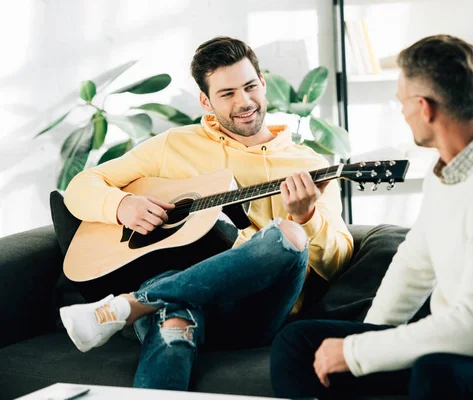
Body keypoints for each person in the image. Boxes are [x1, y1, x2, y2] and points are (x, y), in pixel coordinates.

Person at [270, 34, 473, 400]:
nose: (401, 112)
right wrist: (368, 338)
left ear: (425, 108)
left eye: (402, 101)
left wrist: (356, 353)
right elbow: (414, 267)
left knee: (436, 373)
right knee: (298, 344)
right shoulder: (449, 168)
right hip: (460, 344)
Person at [58, 36, 353, 391]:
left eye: (249, 87)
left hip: (254, 311)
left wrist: (307, 218)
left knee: (288, 236)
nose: (244, 102)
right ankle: (155, 304)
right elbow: (81, 185)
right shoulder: (175, 145)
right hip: (182, 301)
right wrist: (121, 205)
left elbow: (338, 260)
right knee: (173, 324)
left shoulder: (308, 165)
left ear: (262, 84)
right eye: (227, 94)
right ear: (206, 100)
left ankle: (128, 306)